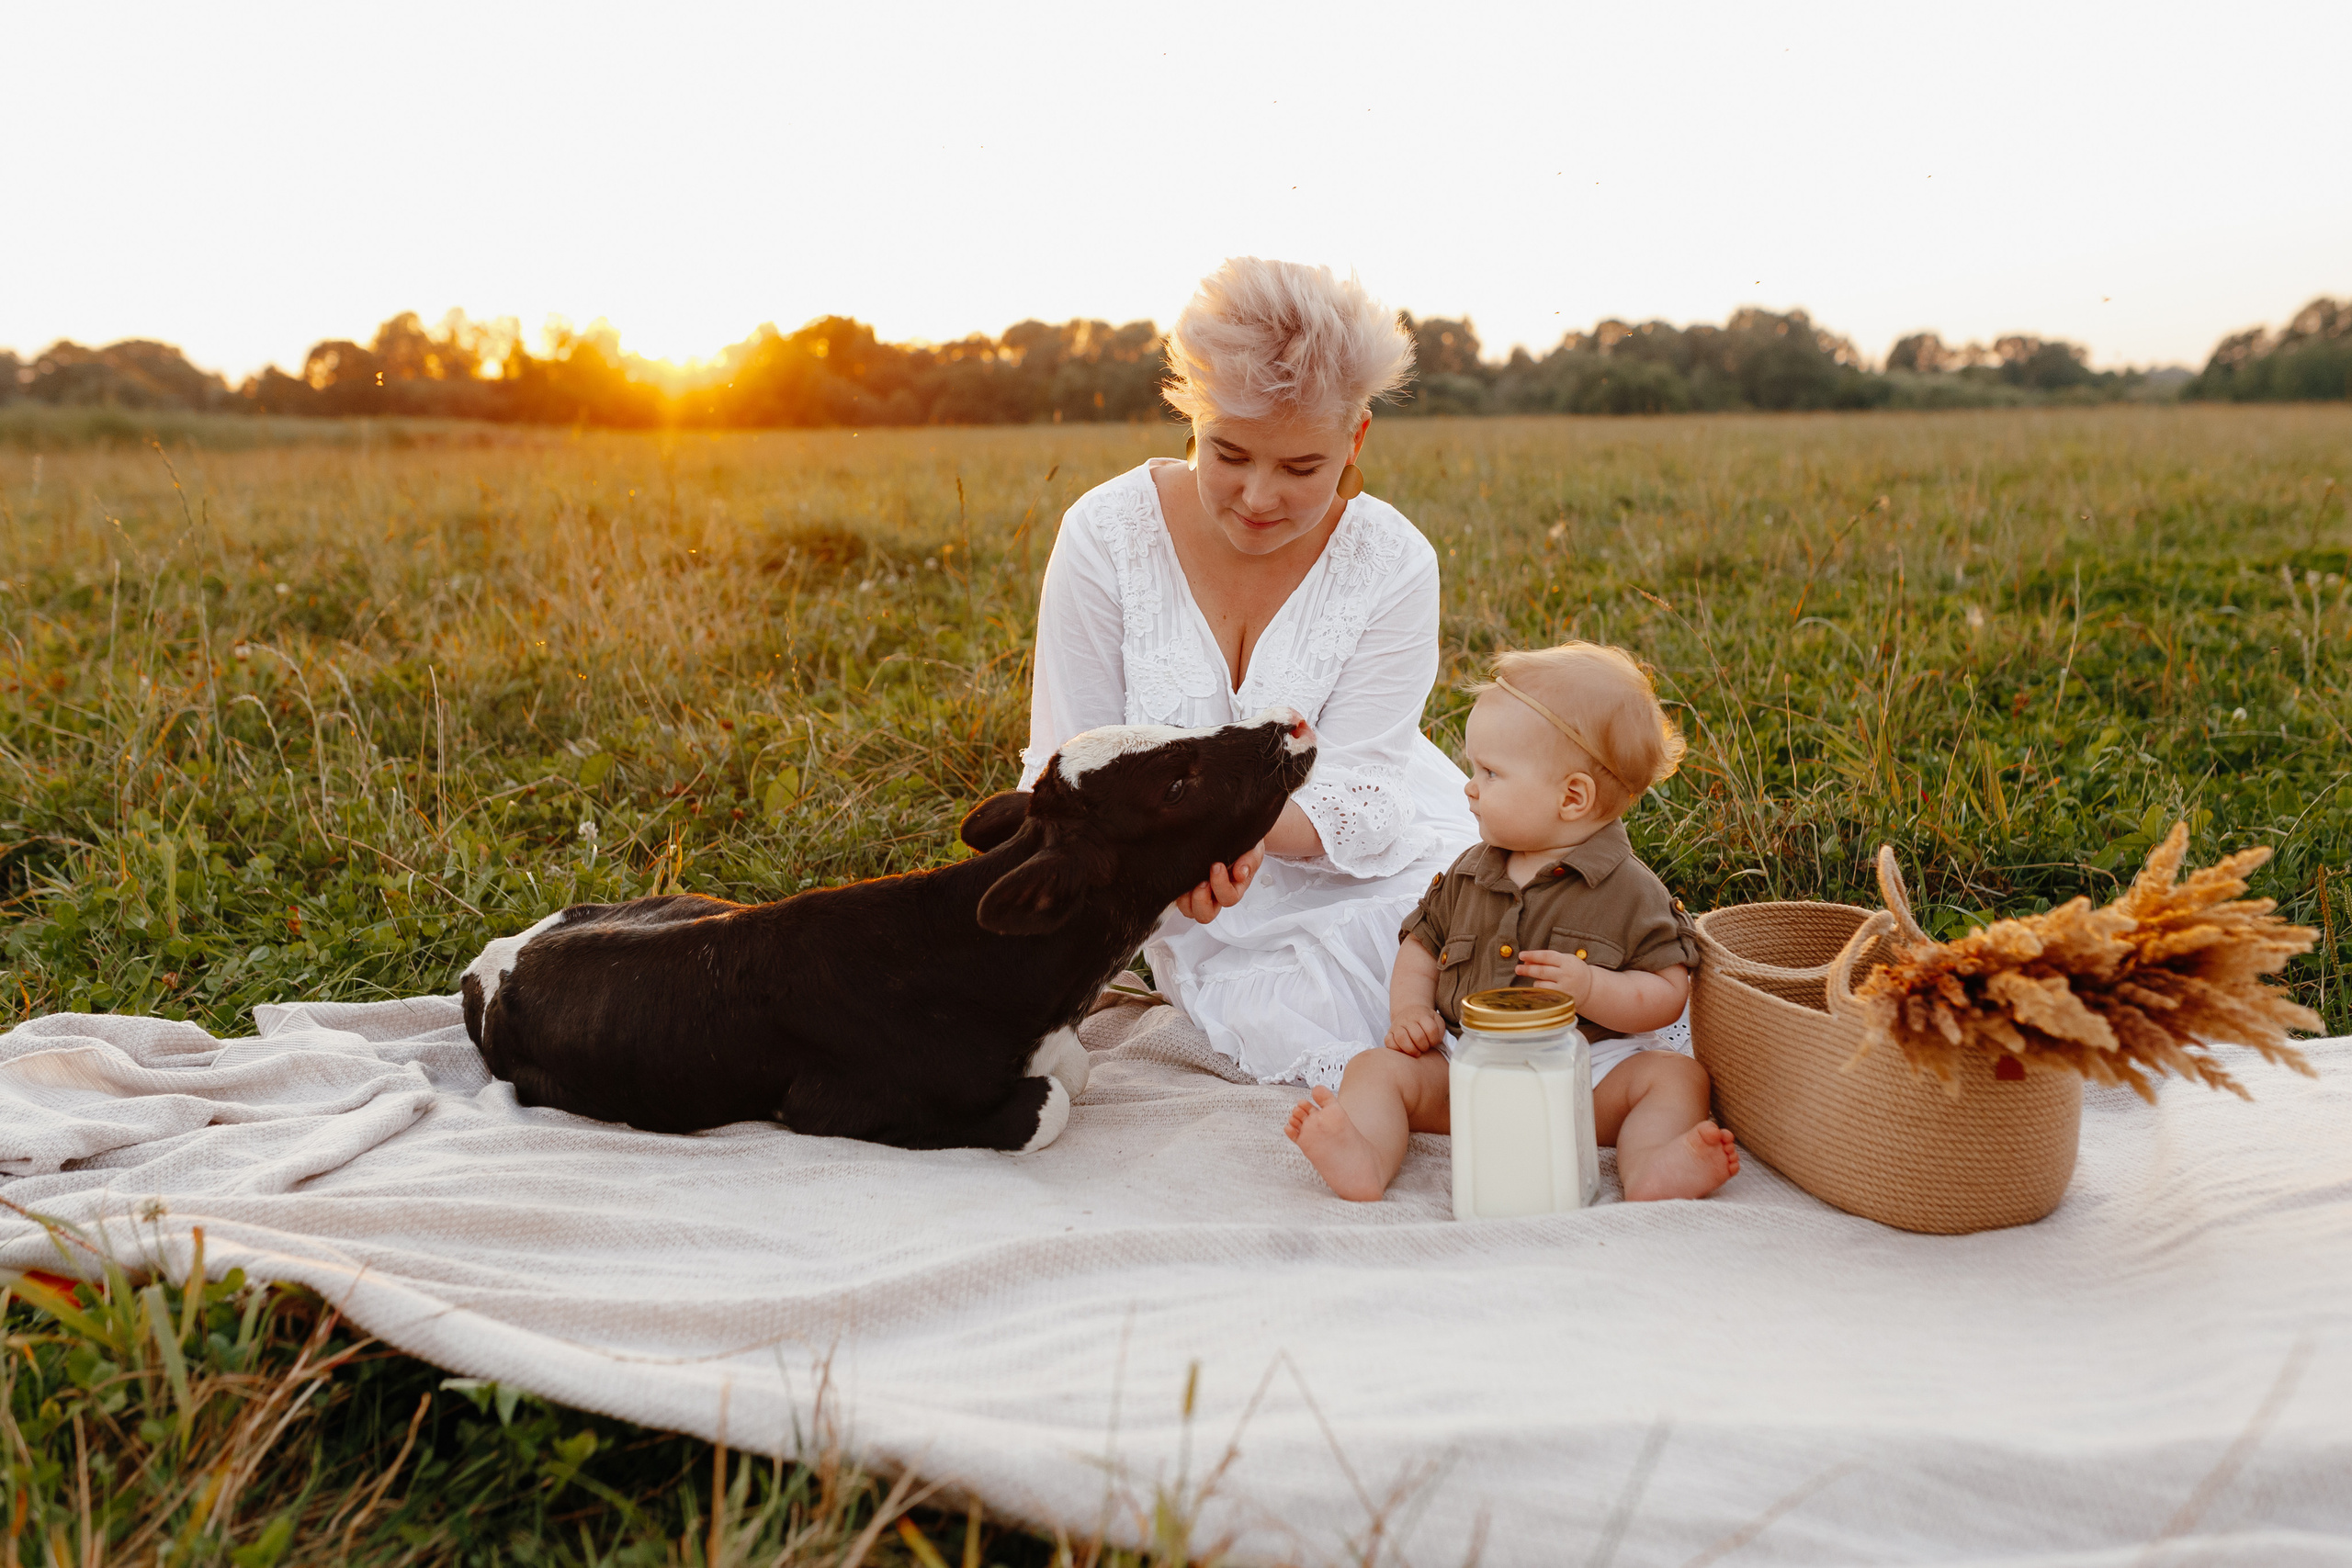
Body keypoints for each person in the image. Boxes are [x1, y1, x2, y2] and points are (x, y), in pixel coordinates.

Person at [1020, 257, 1478, 1088]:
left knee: (1480, 960)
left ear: (1357, 437)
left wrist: (1236, 830)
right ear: (1192, 414)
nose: (1259, 496)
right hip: (1192, 893)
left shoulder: (1394, 560)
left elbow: (1367, 797)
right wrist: (1173, 868)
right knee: (1314, 1007)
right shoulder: (1104, 536)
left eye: (1303, 467)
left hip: (1367, 859)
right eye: (1228, 452)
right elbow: (1067, 767)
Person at [1284, 642, 1739, 1202]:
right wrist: (1410, 1011)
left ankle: (1652, 1166)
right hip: (1464, 1067)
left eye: (1491, 773)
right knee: (1375, 1069)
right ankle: (1364, 1155)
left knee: (1675, 1079)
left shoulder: (1630, 891)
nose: (1470, 787)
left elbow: (1670, 990)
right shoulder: (1469, 872)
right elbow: (1421, 947)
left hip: (1585, 1075)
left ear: (1572, 796)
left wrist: (1596, 988)